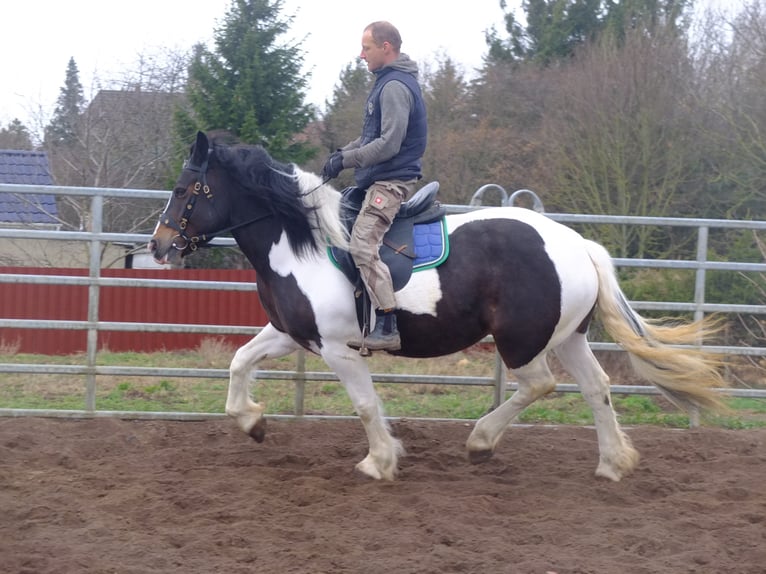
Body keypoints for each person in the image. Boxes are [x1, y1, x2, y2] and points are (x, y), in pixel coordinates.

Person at [322, 21, 428, 352]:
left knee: (361, 245)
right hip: (377, 177)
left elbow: (389, 144)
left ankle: (387, 322)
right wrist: (342, 154)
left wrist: (347, 160)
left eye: (366, 48)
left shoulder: (395, 86)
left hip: (392, 181)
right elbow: (369, 138)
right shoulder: (385, 83)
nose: (361, 54)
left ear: (386, 48)